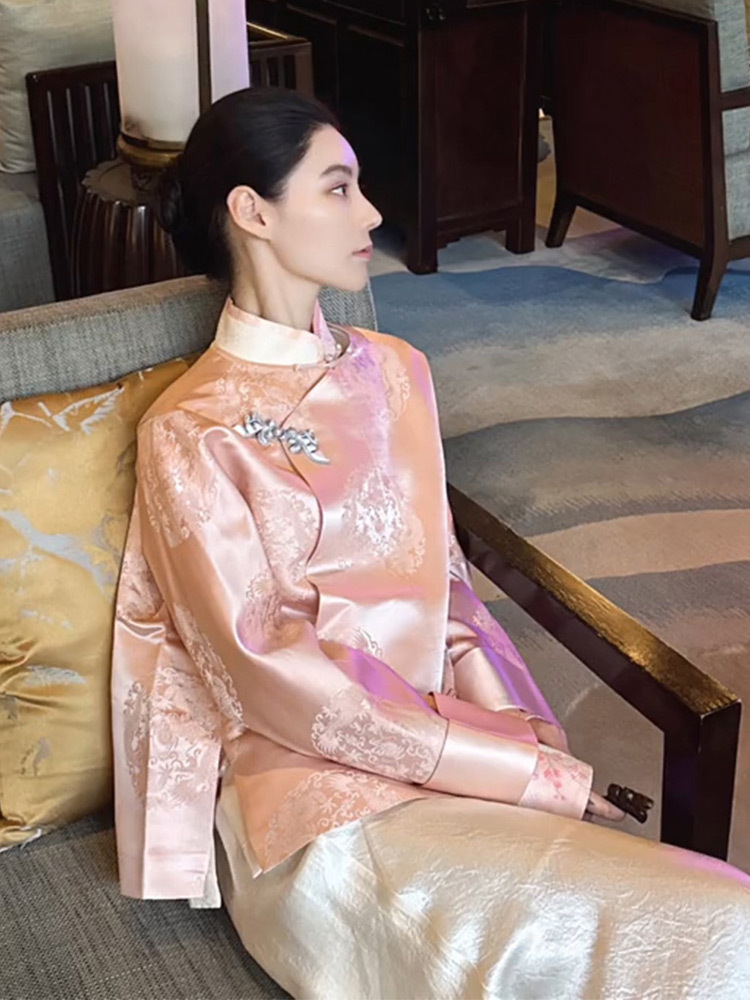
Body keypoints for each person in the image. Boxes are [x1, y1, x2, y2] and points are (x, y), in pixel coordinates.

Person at [112, 87, 750, 1000]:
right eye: (338, 188)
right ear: (253, 211)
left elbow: (450, 598)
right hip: (317, 806)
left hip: (452, 756)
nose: (372, 214)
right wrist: (516, 773)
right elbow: (266, 673)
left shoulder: (398, 372)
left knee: (722, 923)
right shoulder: (191, 431)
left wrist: (524, 749)